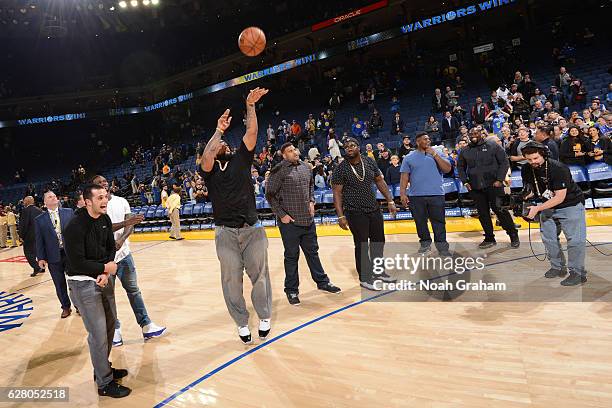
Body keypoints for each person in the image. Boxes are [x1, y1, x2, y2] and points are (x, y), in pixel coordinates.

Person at [198, 87, 272, 345]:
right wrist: (218, 131)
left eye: (224, 142)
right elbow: (206, 156)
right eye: (220, 144)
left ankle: (264, 315)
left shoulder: (241, 160)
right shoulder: (209, 171)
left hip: (252, 228)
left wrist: (250, 106)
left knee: (260, 277)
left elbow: (251, 133)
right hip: (225, 233)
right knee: (231, 282)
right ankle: (241, 322)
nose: (223, 144)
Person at [63, 184, 131, 398]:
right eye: (100, 197)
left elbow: (110, 247)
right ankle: (104, 383)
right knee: (98, 332)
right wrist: (102, 269)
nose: (105, 200)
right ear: (87, 201)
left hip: (103, 279)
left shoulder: (104, 219)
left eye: (106, 196)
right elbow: (76, 262)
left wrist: (106, 271)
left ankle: (103, 369)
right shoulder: (74, 226)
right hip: (82, 283)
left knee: (110, 326)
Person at [92, 175, 166, 347]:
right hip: (104, 260)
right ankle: (115, 330)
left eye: (105, 181)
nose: (104, 183)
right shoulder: (95, 208)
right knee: (109, 296)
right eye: (99, 183)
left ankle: (146, 325)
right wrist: (125, 224)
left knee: (134, 291)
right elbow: (104, 227)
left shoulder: (121, 200)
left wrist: (121, 240)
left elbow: (130, 224)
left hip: (124, 255)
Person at [266, 143, 341, 305]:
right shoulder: (278, 171)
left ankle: (322, 282)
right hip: (290, 222)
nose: (295, 152)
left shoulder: (306, 167)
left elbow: (310, 186)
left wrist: (312, 201)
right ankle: (292, 290)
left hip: (307, 219)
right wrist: (282, 215)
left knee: (313, 252)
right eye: (290, 151)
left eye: (295, 149)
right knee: (292, 256)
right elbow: (269, 195)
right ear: (284, 155)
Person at [331, 137, 397, 291]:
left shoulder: (369, 161)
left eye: (352, 145)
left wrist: (390, 200)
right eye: (346, 146)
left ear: (358, 147)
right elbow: (337, 193)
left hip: (373, 208)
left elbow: (380, 181)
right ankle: (365, 278)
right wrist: (340, 215)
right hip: (354, 211)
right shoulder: (340, 169)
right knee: (361, 244)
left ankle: (378, 272)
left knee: (378, 241)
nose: (349, 148)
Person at [521, 142, 587, 286]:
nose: (533, 162)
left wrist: (537, 209)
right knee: (549, 239)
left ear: (543, 155)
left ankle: (578, 273)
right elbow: (532, 189)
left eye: (536, 158)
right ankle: (557, 267)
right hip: (547, 204)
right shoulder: (526, 169)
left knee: (575, 240)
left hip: (570, 204)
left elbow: (559, 197)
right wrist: (525, 198)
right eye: (529, 159)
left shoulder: (558, 168)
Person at [458, 129, 520, 249]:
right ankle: (489, 238)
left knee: (500, 211)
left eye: (475, 133)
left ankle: (513, 235)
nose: (473, 136)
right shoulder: (465, 150)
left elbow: (504, 162)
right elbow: (460, 167)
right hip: (475, 187)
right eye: (471, 134)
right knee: (483, 214)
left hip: (494, 185)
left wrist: (500, 179)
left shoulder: (493, 146)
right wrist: (465, 181)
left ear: (481, 134)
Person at [400, 132, 452, 255]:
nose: (428, 141)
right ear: (418, 142)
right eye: (425, 139)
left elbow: (448, 169)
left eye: (428, 139)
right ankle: (425, 243)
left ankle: (442, 248)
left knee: (439, 222)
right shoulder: (409, 157)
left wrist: (435, 155)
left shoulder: (437, 153)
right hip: (416, 196)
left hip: (436, 194)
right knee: (420, 222)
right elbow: (404, 177)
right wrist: (403, 193)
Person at [34, 191, 74, 318]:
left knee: (75, 281)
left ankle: (79, 305)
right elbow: (39, 240)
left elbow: (76, 232)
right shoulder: (39, 219)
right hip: (52, 256)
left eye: (55, 196)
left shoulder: (69, 212)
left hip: (70, 254)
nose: (54, 198)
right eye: (50, 197)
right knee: (59, 283)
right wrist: (40, 257)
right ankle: (66, 307)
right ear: (45, 203)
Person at [19, 196, 45, 276]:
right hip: (40, 235)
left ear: (26, 202)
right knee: (39, 252)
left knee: (28, 253)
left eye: (24, 201)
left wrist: (21, 236)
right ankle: (42, 267)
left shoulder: (25, 211)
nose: (23, 202)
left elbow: (23, 225)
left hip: (29, 236)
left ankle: (37, 267)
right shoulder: (40, 210)